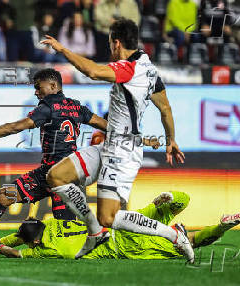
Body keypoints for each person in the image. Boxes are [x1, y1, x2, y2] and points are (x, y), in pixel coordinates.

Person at [40, 17, 194, 262]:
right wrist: (171, 140)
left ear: (117, 43)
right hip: (110, 144)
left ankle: (173, 235)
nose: (109, 48)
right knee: (56, 176)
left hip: (122, 151)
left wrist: (62, 49)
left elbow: (92, 71)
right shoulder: (149, 68)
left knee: (108, 217)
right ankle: (95, 233)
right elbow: (165, 108)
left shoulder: (129, 68)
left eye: (110, 43)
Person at [0, 68, 107, 247]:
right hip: (56, 174)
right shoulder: (77, 107)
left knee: (65, 236)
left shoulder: (47, 107)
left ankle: (102, 244)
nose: (36, 92)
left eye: (38, 87)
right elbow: (108, 126)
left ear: (53, 85)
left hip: (61, 176)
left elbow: (13, 127)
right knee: (4, 196)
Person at [0, 192, 240, 260]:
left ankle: (220, 227)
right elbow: (21, 234)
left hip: (123, 246)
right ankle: (166, 201)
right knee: (177, 203)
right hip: (122, 222)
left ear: (35, 242)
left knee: (191, 242)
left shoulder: (50, 249)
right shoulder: (52, 224)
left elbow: (18, 247)